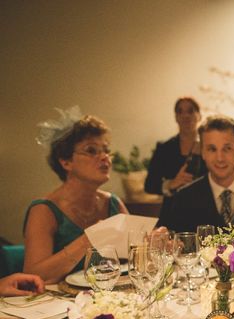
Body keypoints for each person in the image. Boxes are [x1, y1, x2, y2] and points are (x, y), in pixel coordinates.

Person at [24, 113, 128, 284]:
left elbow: (136, 256)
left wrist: (156, 244)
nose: (105, 157)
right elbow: (33, 277)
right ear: (66, 162)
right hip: (55, 306)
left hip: (108, 298)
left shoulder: (113, 203)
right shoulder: (44, 210)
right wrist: (87, 240)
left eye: (106, 150)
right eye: (91, 150)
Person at [158, 115, 234, 232]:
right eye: (212, 149)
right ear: (202, 153)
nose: (220, 158)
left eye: (227, 149)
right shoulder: (184, 199)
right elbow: (175, 242)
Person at [144, 97, 206, 219]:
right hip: (172, 214)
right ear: (176, 117)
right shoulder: (164, 148)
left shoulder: (209, 147)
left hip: (204, 212)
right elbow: (149, 185)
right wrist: (171, 184)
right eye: (180, 111)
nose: (185, 116)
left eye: (190, 111)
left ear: (199, 116)